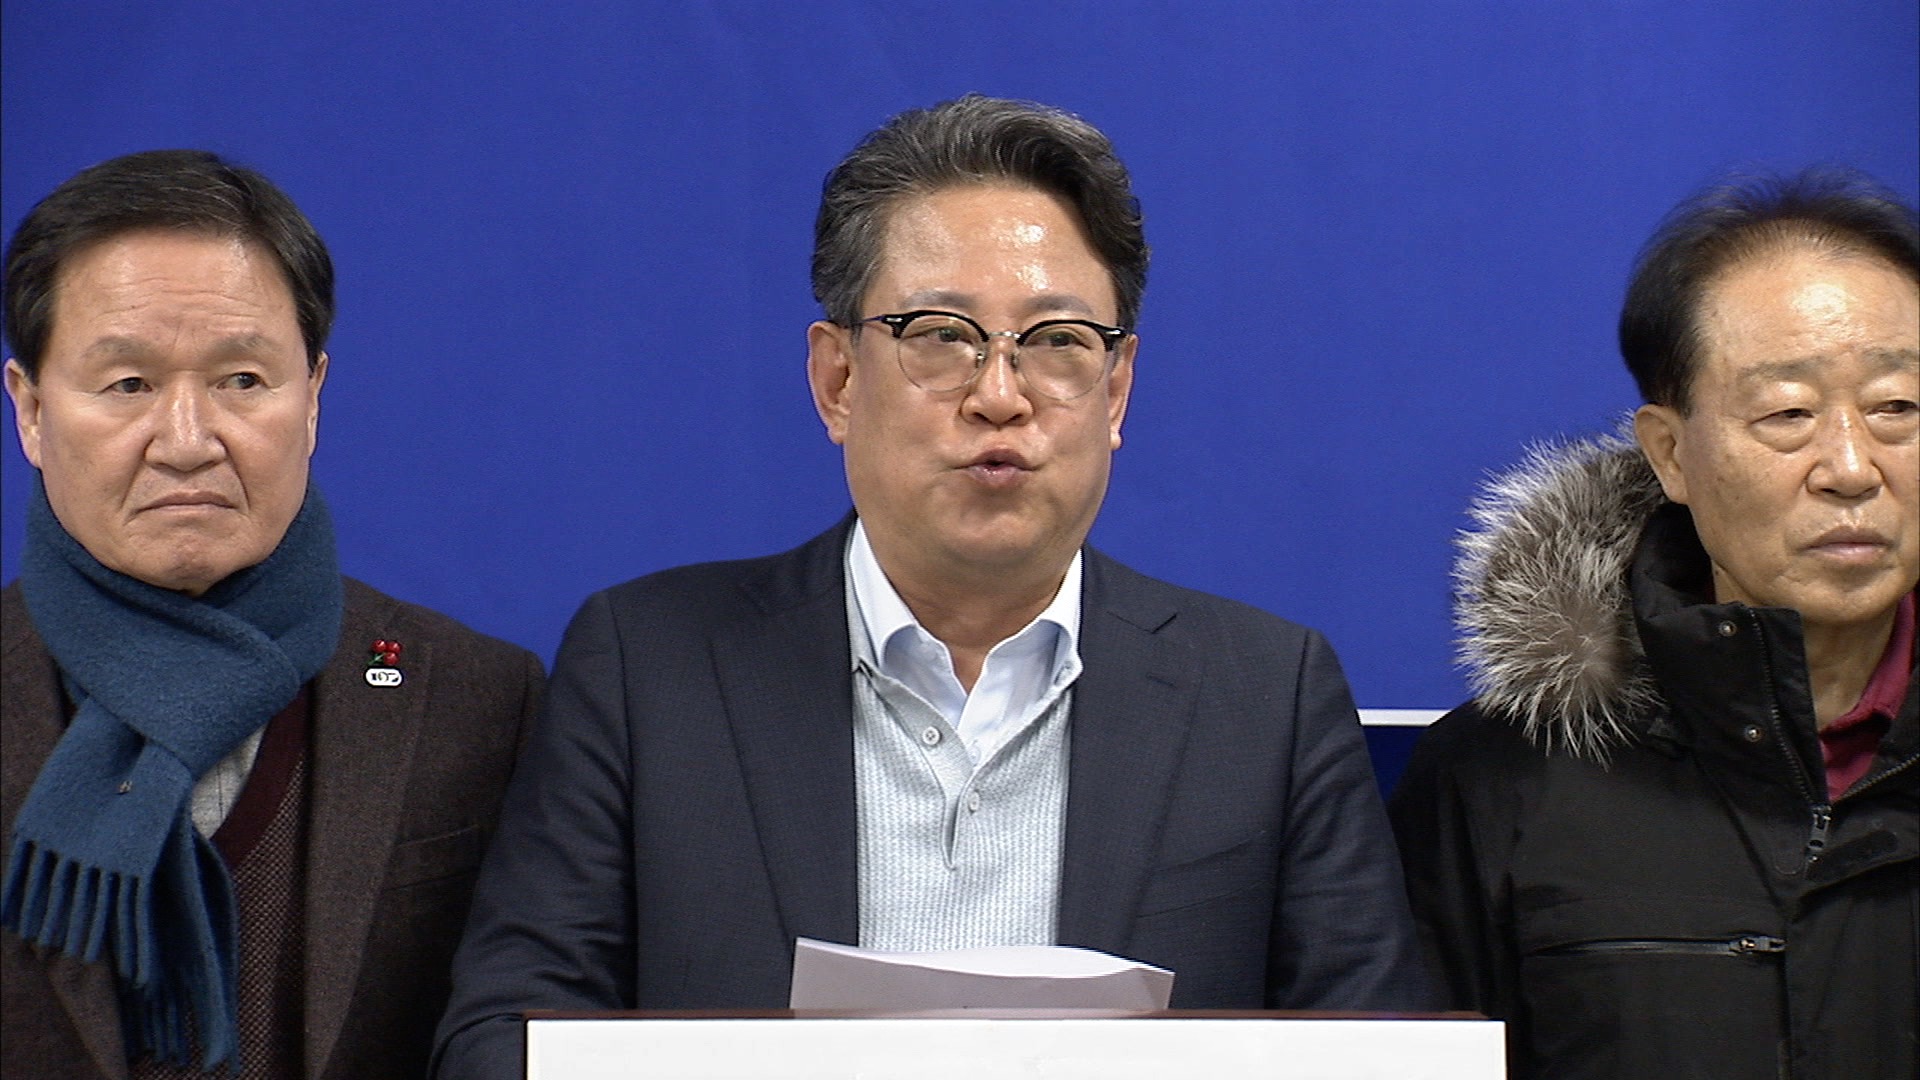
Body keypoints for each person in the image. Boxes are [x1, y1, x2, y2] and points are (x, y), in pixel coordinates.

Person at [433, 94, 1429, 1076]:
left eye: (1057, 341)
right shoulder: (649, 667)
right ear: (837, 381)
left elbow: (1381, 1056)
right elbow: (503, 1041)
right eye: (941, 334)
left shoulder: (1264, 695)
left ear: (1117, 391)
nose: (999, 396)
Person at [0, 150, 544, 1079]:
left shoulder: (480, 699)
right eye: (128, 385)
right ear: (32, 411)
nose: (187, 441)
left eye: (243, 381)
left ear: (314, 398)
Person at [1389, 168, 1918, 1079]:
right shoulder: (1499, 781)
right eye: (1788, 414)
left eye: (1897, 408)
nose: (1849, 467)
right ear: (1670, 453)